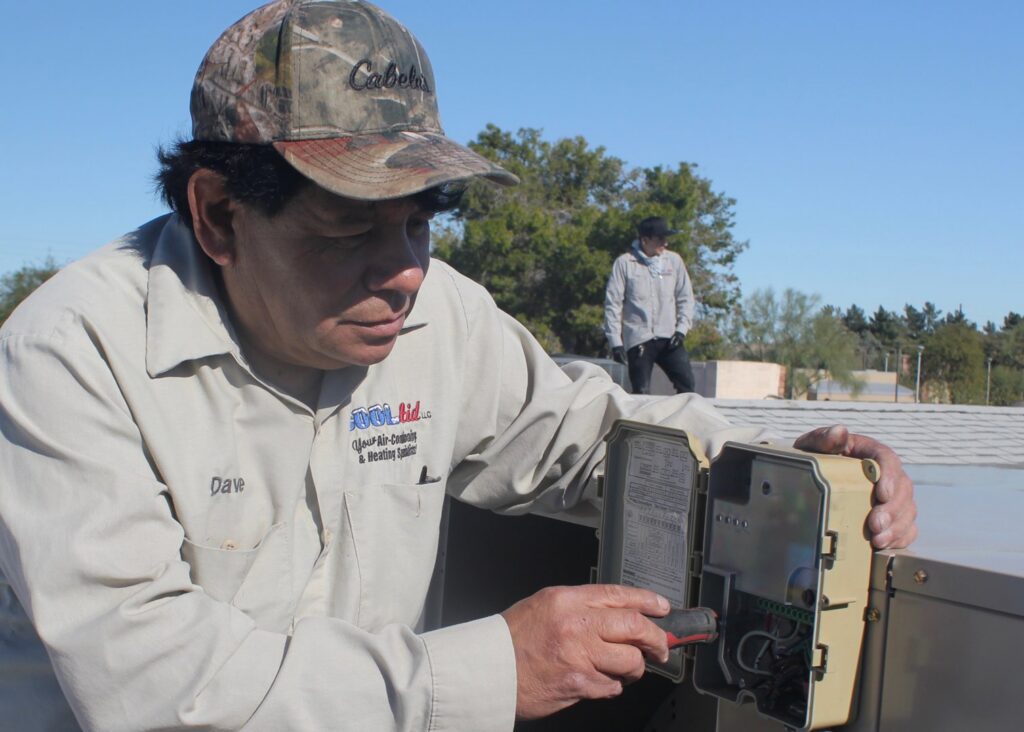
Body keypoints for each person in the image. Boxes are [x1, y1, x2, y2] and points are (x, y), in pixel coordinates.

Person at [0, 2, 917, 730]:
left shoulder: (443, 317)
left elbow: (593, 440)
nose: (404, 271)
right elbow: (156, 688)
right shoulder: (74, 355)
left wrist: (789, 473)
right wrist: (492, 670)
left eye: (419, 221)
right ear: (217, 216)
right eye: (349, 228)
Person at [604, 216, 697, 394]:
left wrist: (681, 330)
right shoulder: (624, 263)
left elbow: (686, 297)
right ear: (645, 240)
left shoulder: (674, 261)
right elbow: (613, 304)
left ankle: (681, 413)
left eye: (666, 238)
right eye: (660, 238)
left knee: (687, 385)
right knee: (641, 391)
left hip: (669, 336)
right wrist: (615, 342)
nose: (665, 243)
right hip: (640, 338)